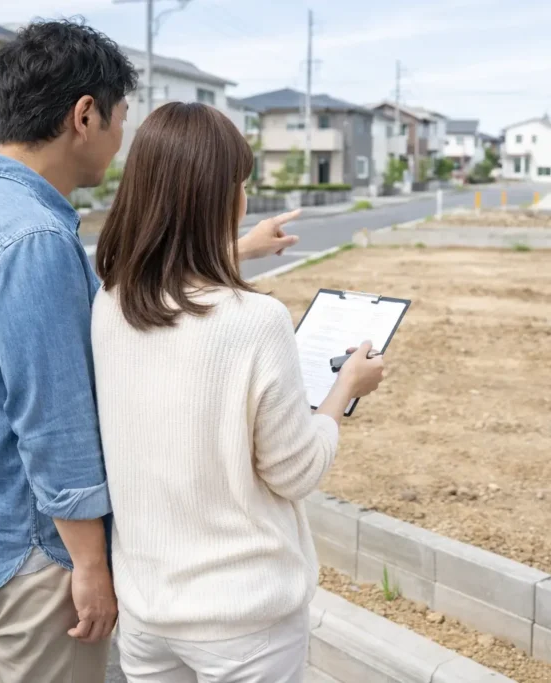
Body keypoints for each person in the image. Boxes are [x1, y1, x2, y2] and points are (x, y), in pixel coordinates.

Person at [0, 21, 298, 683]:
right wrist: (90, 565)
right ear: (83, 115)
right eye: (120, 118)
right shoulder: (33, 240)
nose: (121, 140)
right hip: (33, 558)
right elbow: (52, 423)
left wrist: (237, 250)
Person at [92, 101, 385, 683]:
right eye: (239, 184)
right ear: (218, 198)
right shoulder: (257, 320)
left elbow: (176, 291)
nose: (244, 196)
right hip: (244, 622)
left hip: (148, 609)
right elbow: (294, 471)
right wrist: (343, 392)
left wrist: (241, 249)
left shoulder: (111, 303)